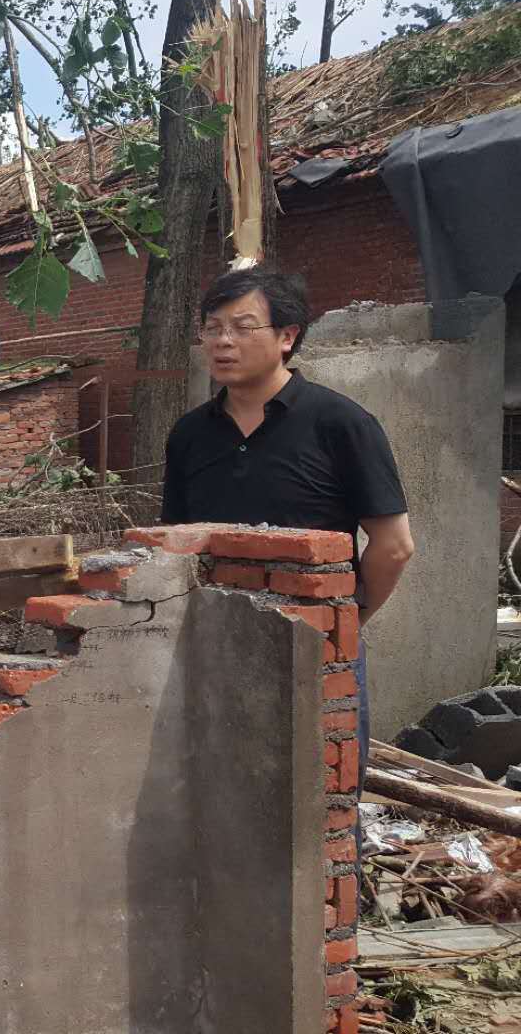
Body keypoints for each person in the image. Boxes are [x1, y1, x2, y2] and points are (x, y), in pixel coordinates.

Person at [162, 266, 415, 798]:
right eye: (212, 327)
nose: (222, 341)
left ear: (287, 336)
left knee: (322, 800)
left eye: (242, 326)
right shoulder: (189, 436)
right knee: (224, 795)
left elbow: (393, 546)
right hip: (215, 646)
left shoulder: (340, 424)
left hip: (315, 647)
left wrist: (347, 620)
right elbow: (175, 545)